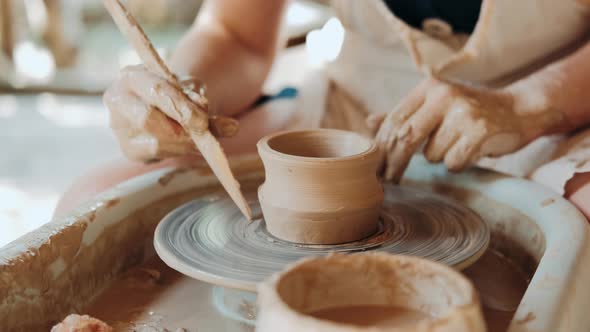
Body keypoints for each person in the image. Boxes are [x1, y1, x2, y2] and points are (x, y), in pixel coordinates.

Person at [55, 0, 590, 219]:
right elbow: (236, 35)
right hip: (363, 95)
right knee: (98, 201)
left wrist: (531, 103)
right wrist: (176, 94)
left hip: (553, 97)